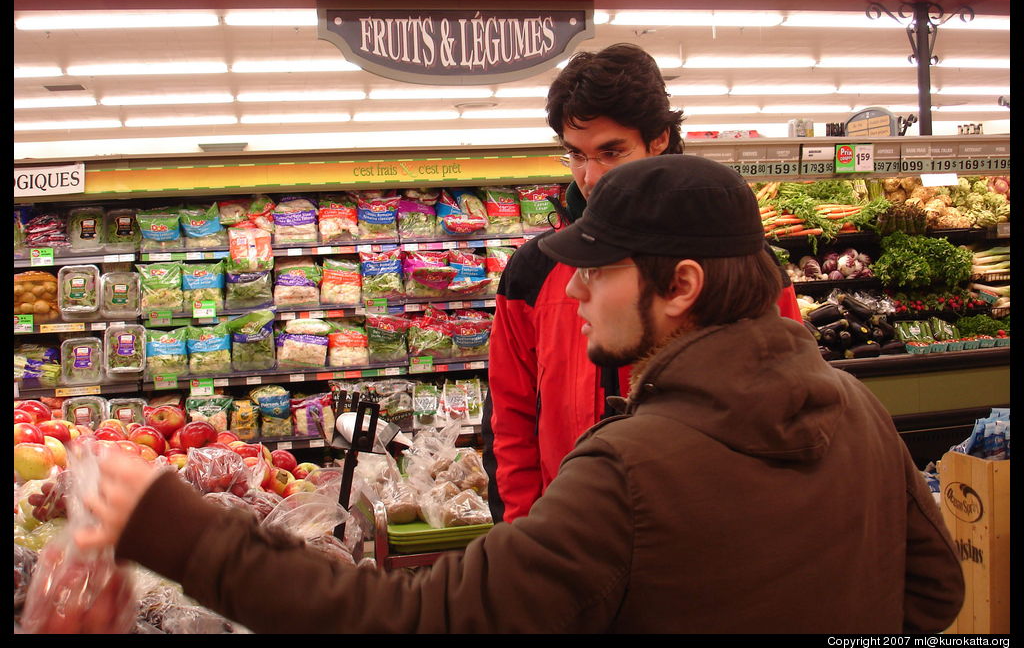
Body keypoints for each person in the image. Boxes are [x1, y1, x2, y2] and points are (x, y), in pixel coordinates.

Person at [77, 154, 964, 634]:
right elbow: (934, 594)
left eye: (599, 269)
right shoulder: (856, 407)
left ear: (681, 284)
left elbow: (403, 618)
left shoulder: (627, 473)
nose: (572, 291)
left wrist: (180, 527)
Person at [483, 43, 803, 522]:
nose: (591, 177)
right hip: (572, 527)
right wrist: (526, 531)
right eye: (576, 155)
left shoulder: (736, 258)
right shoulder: (534, 270)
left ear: (658, 139)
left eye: (611, 152)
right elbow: (510, 417)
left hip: (705, 529)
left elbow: (786, 396)